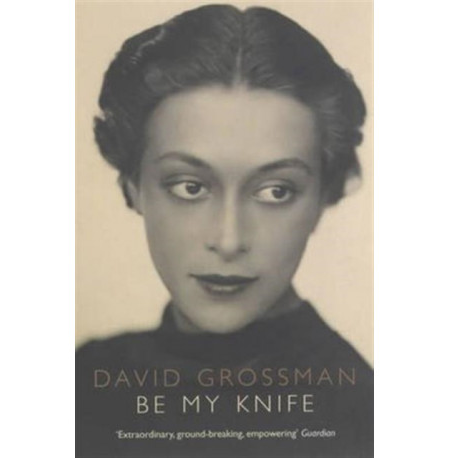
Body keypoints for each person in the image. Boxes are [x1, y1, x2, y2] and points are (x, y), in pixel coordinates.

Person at [76, 4, 373, 457]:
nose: (229, 240)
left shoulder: (370, 418)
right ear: (132, 187)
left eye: (276, 191)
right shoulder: (82, 384)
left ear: (323, 198)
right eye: (190, 187)